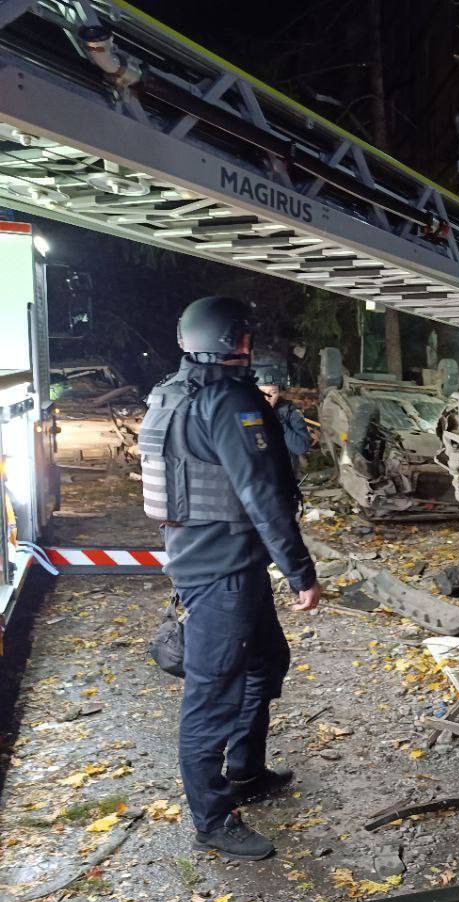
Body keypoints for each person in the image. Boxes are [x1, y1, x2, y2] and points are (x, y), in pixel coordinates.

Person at [139, 296, 321, 861]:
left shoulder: (173, 391)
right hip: (222, 571)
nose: (248, 346)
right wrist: (301, 573)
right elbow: (262, 496)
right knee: (212, 694)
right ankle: (212, 820)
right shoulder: (228, 401)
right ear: (228, 342)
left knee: (266, 661)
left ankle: (245, 771)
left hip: (210, 559)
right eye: (243, 337)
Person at [256, 374, 311, 459]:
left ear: (279, 394)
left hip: (283, 470)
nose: (267, 397)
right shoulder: (245, 413)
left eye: (273, 392)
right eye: (262, 392)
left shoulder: (289, 412)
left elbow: (301, 448)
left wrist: (277, 422)